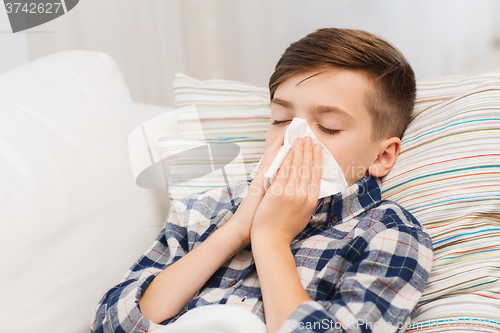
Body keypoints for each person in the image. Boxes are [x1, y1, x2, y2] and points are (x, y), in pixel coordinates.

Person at [89, 27, 433, 333]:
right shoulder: (204, 211)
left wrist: (271, 239)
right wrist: (236, 230)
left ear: (381, 156)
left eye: (329, 127)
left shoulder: (390, 235)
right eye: (282, 119)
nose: (296, 139)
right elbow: (110, 323)